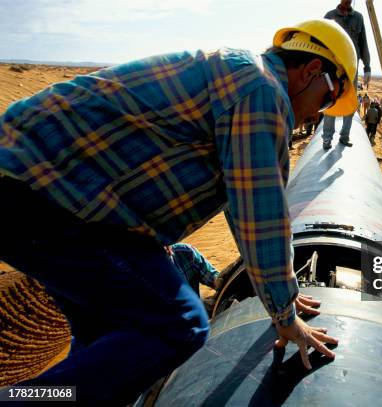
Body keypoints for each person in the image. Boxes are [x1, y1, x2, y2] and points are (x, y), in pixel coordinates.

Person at [0, 18, 357, 404]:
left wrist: (279, 289)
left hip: (41, 191)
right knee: (178, 324)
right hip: (44, 195)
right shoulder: (261, 91)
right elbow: (260, 212)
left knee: (105, 342)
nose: (320, 114)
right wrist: (285, 314)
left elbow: (241, 206)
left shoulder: (240, 74)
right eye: (328, 99)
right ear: (311, 71)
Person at [321, 0, 371, 149]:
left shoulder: (358, 18)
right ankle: (327, 138)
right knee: (331, 99)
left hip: (352, 67)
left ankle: (345, 136)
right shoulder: (329, 16)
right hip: (333, 65)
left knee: (350, 100)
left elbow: (363, 43)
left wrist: (367, 66)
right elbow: (321, 42)